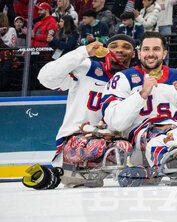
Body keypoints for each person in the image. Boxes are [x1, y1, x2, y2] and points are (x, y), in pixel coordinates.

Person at [103, 33, 177, 176]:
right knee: (161, 140)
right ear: (139, 53)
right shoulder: (123, 77)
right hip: (140, 146)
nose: (150, 54)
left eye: (156, 49)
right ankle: (175, 158)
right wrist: (142, 94)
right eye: (146, 49)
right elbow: (115, 122)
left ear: (164, 53)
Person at [37, 35, 136, 178]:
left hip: (113, 151)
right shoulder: (87, 67)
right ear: (106, 50)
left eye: (126, 47)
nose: (119, 50)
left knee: (126, 147)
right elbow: (45, 78)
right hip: (79, 144)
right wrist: (83, 52)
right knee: (97, 146)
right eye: (114, 46)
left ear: (134, 53)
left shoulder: (136, 79)